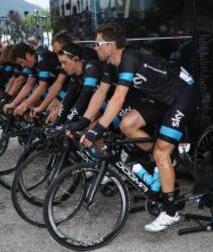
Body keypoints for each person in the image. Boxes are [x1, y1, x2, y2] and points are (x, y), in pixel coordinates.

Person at [79, 23, 197, 232]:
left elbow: (118, 97)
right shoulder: (111, 64)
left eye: (97, 43)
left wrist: (98, 130)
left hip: (181, 93)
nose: (94, 47)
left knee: (161, 153)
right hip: (160, 98)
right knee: (127, 124)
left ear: (110, 44)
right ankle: (164, 162)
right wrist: (83, 122)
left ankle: (171, 212)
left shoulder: (129, 58)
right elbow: (100, 93)